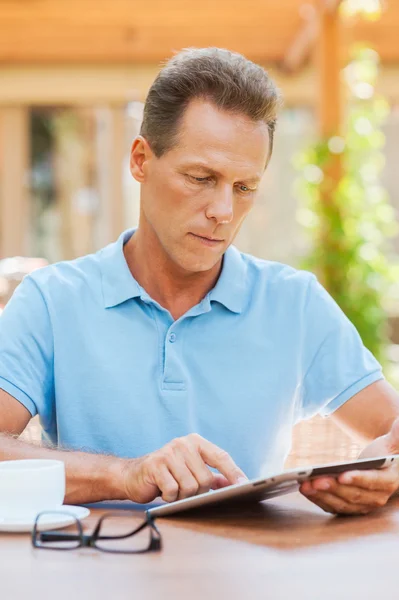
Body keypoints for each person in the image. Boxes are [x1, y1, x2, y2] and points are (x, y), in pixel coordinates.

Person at [1, 47, 399, 516]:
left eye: (244, 187)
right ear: (140, 161)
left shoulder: (294, 303)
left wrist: (388, 473)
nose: (223, 212)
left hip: (249, 582)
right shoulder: (51, 301)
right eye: (200, 177)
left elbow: (392, 426)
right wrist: (126, 475)